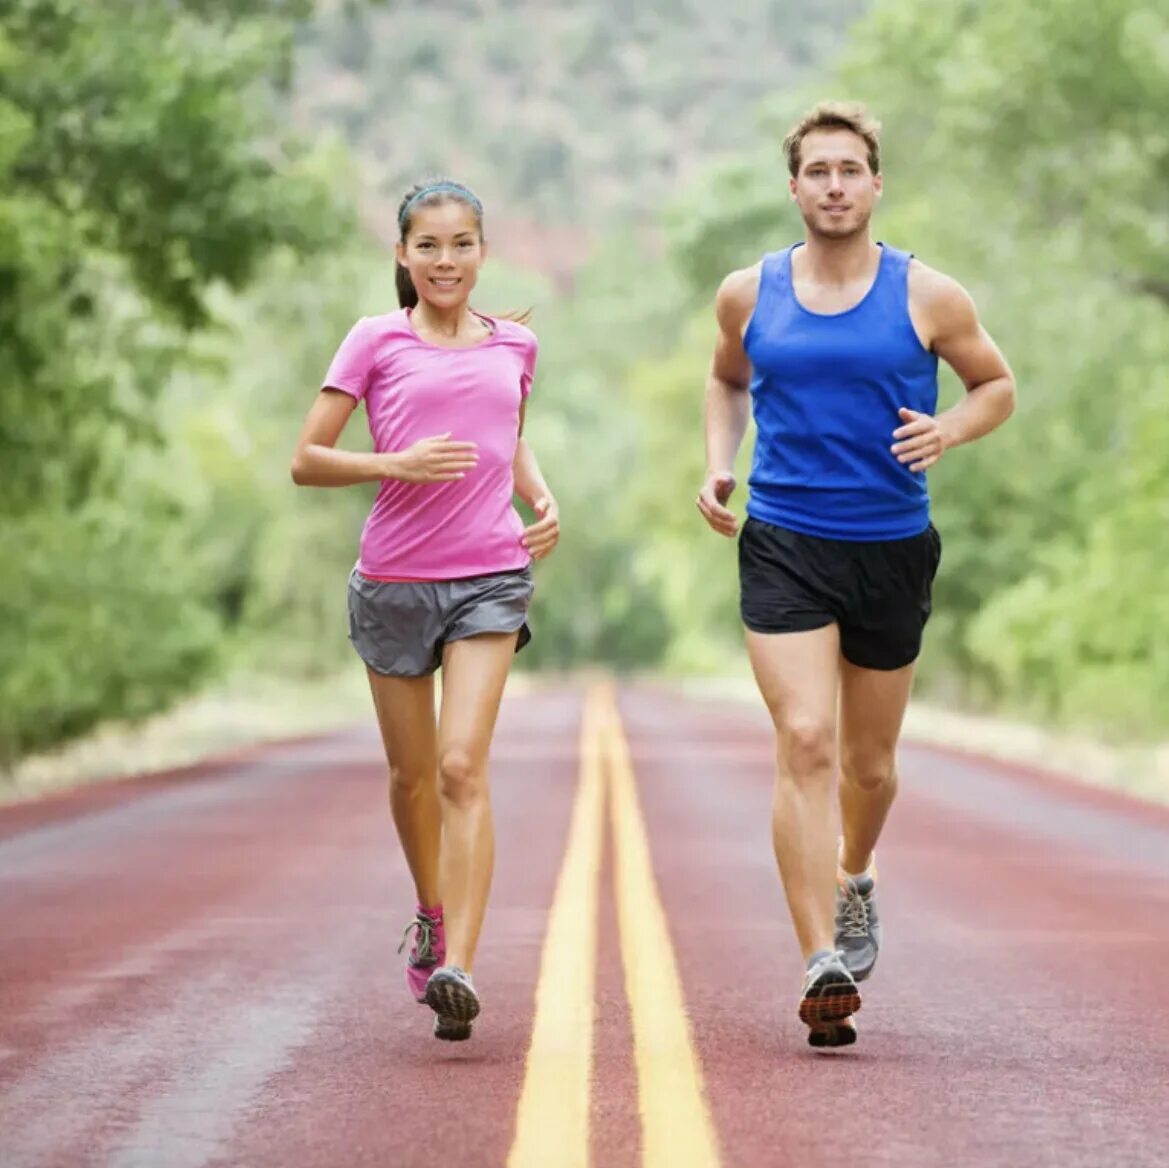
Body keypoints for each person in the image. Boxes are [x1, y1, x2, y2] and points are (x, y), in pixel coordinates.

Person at [696, 102, 1015, 1048]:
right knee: (803, 739)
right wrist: (720, 459)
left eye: (850, 170)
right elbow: (726, 379)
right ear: (792, 187)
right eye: (817, 171)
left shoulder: (928, 296)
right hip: (785, 538)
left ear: (875, 185)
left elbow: (994, 386)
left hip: (889, 545)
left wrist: (948, 428)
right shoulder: (748, 293)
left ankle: (855, 878)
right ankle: (817, 958)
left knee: (868, 767)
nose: (834, 186)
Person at [291, 178, 560, 1042]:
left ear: (483, 251)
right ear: (403, 257)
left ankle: (460, 967)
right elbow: (307, 458)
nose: (446, 260)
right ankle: (430, 909)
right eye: (429, 246)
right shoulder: (375, 341)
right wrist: (393, 466)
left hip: (489, 574)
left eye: (462, 243)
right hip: (394, 582)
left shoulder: (514, 344)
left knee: (458, 768)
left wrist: (540, 496)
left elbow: (505, 434)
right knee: (411, 779)